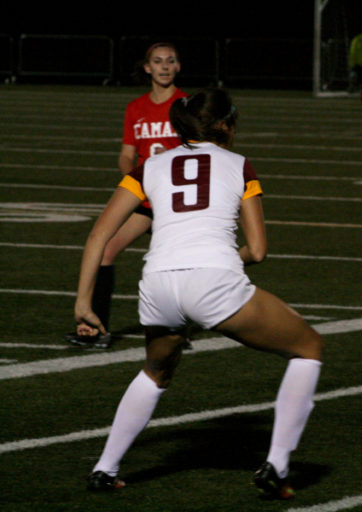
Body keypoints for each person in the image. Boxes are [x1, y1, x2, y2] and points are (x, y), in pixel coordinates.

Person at [74, 87, 324, 499]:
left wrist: (83, 302)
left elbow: (100, 234)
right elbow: (258, 251)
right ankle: (277, 465)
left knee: (156, 372)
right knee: (309, 347)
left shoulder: (149, 167)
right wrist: (220, 264)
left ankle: (105, 467)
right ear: (224, 125)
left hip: (157, 284)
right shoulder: (240, 165)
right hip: (212, 279)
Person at [65, 42, 188, 349]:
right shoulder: (136, 108)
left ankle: (175, 331)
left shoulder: (186, 105)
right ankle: (97, 329)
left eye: (170, 61)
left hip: (174, 202)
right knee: (105, 251)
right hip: (145, 200)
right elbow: (126, 155)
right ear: (147, 68)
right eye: (157, 61)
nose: (164, 66)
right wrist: (132, 178)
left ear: (178, 66)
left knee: (174, 264)